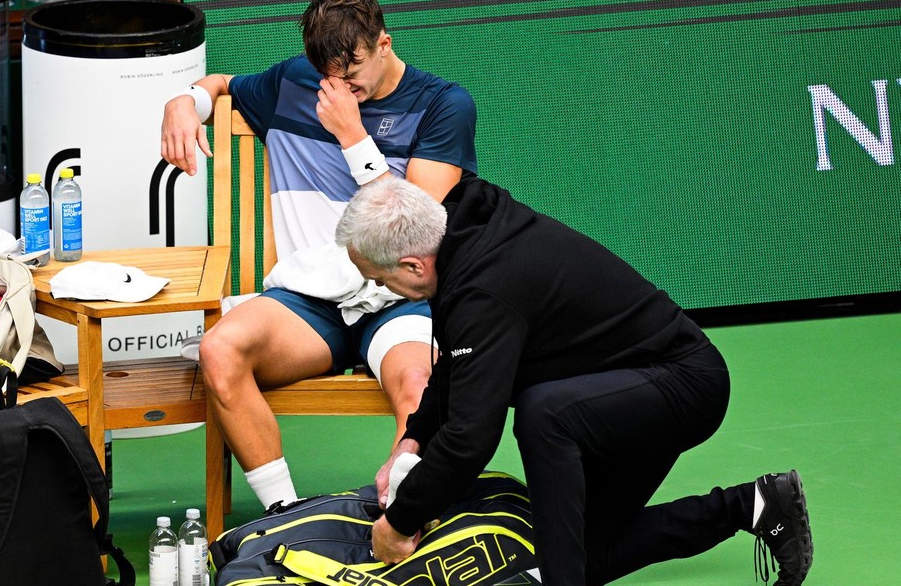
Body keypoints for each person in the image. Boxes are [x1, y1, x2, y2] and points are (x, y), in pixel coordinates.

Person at [334, 177, 814, 586]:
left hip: (679, 388)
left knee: (545, 414)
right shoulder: (462, 236)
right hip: (614, 389)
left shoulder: (483, 287)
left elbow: (470, 437)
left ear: (414, 264)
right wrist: (413, 439)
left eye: (379, 278)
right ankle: (751, 506)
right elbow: (459, 368)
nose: (380, 289)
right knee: (585, 558)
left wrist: (400, 522)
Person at [159, 0, 477, 510]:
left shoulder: (444, 105)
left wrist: (354, 139)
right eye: (330, 79)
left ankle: (408, 515)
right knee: (219, 350)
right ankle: (287, 516)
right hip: (310, 308)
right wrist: (184, 100)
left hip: (400, 299)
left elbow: (412, 229)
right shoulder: (294, 82)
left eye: (352, 78)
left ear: (384, 44)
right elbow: (221, 83)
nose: (339, 92)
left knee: (421, 383)